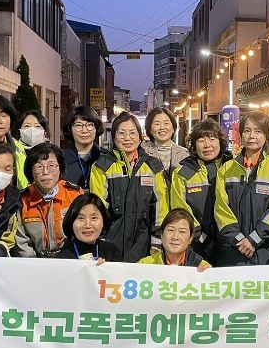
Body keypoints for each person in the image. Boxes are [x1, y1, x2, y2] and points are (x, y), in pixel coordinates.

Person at [44, 194, 120, 348]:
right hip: (72, 334)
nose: (88, 225)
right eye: (80, 218)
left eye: (94, 218)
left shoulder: (112, 252)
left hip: (102, 328)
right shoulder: (60, 258)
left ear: (103, 222)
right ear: (70, 223)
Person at [135, 209, 212, 348]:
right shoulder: (145, 265)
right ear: (161, 234)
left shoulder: (203, 268)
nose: (175, 236)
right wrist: (103, 270)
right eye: (170, 230)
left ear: (191, 238)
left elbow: (214, 309)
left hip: (187, 340)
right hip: (155, 342)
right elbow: (124, 297)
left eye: (182, 231)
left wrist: (209, 281)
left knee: (196, 346)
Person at [215, 111, 269, 267]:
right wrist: (238, 239)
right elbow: (221, 208)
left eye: (258, 131)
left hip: (265, 247)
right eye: (247, 130)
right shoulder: (226, 169)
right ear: (241, 135)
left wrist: (254, 239)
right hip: (232, 248)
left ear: (267, 136)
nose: (252, 136)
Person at [89, 111, 169, 262]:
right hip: (110, 242)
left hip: (144, 243)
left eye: (132, 133)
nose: (127, 138)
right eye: (122, 133)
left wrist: (157, 241)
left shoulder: (152, 166)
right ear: (114, 137)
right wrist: (100, 240)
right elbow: (97, 208)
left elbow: (161, 207)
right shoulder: (101, 167)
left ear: (140, 137)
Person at [170, 119, 232, 260]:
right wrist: (201, 237)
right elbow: (180, 209)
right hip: (198, 244)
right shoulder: (183, 172)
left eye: (212, 139)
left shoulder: (231, 167)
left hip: (231, 241)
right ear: (193, 145)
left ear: (220, 142)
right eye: (201, 140)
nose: (207, 145)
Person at [14, 143, 83, 257]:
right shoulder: (23, 199)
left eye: (51, 166)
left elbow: (82, 231)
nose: (45, 172)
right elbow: (22, 242)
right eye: (38, 166)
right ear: (30, 170)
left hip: (71, 259)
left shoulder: (74, 194)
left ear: (60, 168)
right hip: (36, 262)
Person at [141, 107, 190, 181]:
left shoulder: (186, 155)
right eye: (157, 124)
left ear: (173, 128)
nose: (162, 127)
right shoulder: (143, 154)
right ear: (150, 129)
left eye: (166, 123)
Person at [62, 106, 104, 190]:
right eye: (78, 125)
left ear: (96, 128)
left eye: (90, 125)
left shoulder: (106, 157)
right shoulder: (59, 158)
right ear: (70, 128)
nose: (84, 130)